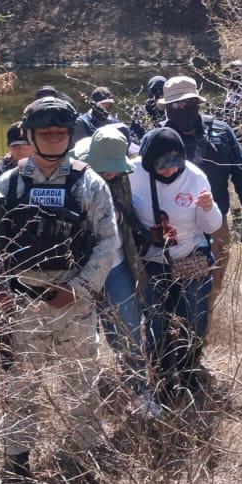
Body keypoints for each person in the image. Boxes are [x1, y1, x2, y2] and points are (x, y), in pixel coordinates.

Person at [0, 96, 121, 484]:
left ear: (70, 134)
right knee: (19, 387)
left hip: (74, 303)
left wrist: (78, 289)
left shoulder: (88, 183)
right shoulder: (10, 183)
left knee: (80, 384)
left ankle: (87, 467)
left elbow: (108, 243)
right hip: (20, 302)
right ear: (30, 135)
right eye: (45, 133)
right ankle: (17, 471)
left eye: (60, 133)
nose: (53, 139)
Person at [129, 127, 222, 405]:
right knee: (156, 321)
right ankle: (162, 376)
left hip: (189, 258)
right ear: (148, 161)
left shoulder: (195, 177)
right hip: (152, 263)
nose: (169, 171)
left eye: (175, 164)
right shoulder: (133, 173)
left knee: (193, 318)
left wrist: (208, 207)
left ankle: (190, 370)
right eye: (161, 165)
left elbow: (212, 227)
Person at [72, 124, 160, 419]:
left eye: (114, 169)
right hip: (83, 272)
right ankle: (86, 400)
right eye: (104, 168)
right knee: (88, 336)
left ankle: (139, 389)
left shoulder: (122, 177)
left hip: (120, 266)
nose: (110, 173)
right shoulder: (76, 182)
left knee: (130, 329)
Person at [157, 75, 242, 313]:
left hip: (216, 221)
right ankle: (176, 331)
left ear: (197, 102)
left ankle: (204, 329)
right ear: (167, 107)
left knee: (214, 280)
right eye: (176, 106)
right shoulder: (158, 139)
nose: (182, 109)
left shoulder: (221, 132)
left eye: (186, 103)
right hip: (173, 226)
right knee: (173, 284)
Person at [0, 122, 33, 212]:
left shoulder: (44, 165)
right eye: (15, 146)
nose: (20, 150)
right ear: (10, 148)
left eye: (25, 145)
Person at [129, 75, 166, 142]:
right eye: (154, 91)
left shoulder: (171, 109)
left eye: (162, 90)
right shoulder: (141, 112)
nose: (159, 94)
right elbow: (133, 134)